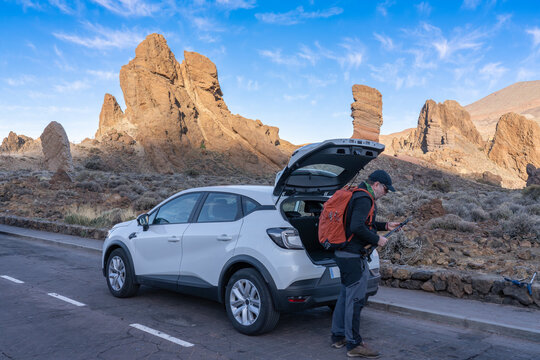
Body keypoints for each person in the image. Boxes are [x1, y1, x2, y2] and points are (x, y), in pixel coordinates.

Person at [330, 169, 400, 358]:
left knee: (345, 296)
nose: (385, 193)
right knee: (355, 300)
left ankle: (338, 336)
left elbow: (364, 223)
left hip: (344, 253)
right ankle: (354, 344)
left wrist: (385, 226)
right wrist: (378, 240)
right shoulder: (364, 198)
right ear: (376, 184)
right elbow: (356, 227)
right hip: (352, 256)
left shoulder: (358, 195)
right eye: (385, 189)